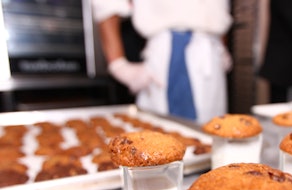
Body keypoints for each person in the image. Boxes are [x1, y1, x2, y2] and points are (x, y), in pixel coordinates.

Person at [91, 0, 232, 124]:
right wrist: (118, 64)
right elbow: (106, 5)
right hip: (164, 58)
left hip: (211, 58)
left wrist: (222, 47)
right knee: (158, 133)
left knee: (214, 131)